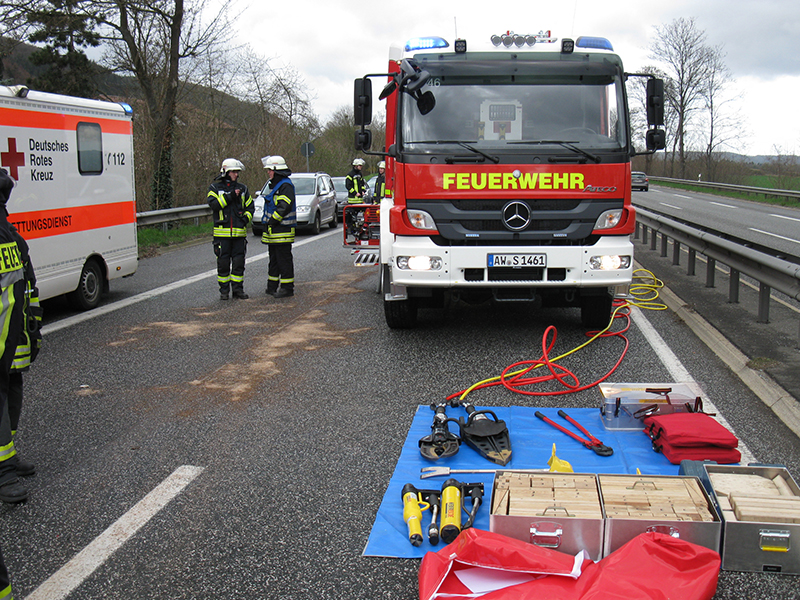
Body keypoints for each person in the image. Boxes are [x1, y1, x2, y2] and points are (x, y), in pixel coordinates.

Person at [0, 168, 27, 508]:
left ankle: (8, 456)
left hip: (9, 337)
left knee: (11, 388)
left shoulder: (10, 235)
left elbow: (24, 283)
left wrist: (30, 329)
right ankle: (3, 470)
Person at [207, 158, 254, 300]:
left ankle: (238, 290)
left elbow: (250, 207)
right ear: (226, 172)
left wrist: (245, 219)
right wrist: (230, 197)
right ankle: (224, 291)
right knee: (223, 264)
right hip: (222, 235)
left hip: (239, 234)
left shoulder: (243, 189)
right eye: (234, 172)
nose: (236, 175)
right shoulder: (214, 188)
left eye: (237, 172)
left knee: (239, 264)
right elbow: (213, 205)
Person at [261, 156, 296, 298]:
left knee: (283, 260)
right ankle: (272, 286)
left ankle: (287, 288)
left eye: (270, 170)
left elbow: (284, 207)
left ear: (276, 170)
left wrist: (272, 221)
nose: (268, 172)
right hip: (275, 231)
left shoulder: (285, 186)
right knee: (274, 260)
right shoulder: (277, 185)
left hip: (282, 230)